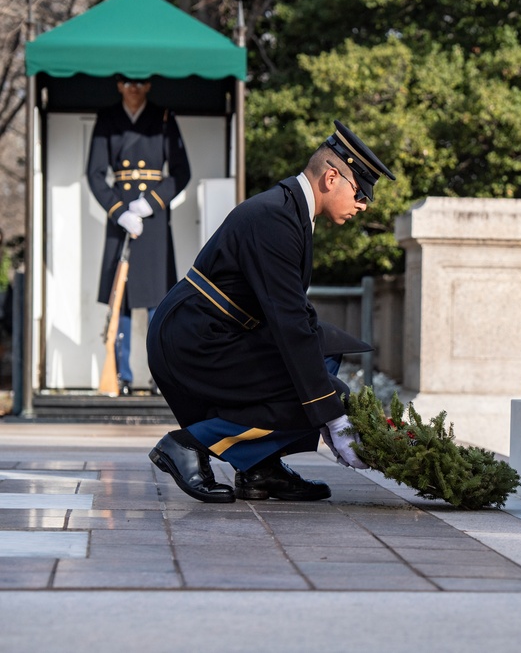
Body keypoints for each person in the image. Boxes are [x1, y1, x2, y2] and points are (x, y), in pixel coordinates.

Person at [146, 121, 395, 503]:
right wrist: (332, 412)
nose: (363, 205)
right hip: (192, 339)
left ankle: (260, 469)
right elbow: (289, 322)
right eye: (360, 193)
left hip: (210, 331)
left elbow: (294, 314)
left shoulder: (290, 211)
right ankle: (184, 445)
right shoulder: (275, 218)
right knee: (320, 390)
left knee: (324, 356)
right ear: (332, 177)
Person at [86, 74, 191, 396]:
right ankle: (123, 376)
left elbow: (181, 172)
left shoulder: (162, 116)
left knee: (158, 299)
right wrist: (120, 212)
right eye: (127, 82)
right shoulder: (108, 118)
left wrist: (151, 203)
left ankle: (159, 376)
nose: (133, 87)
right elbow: (94, 173)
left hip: (153, 218)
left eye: (140, 81)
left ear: (148, 86)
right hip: (122, 217)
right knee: (124, 299)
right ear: (118, 85)